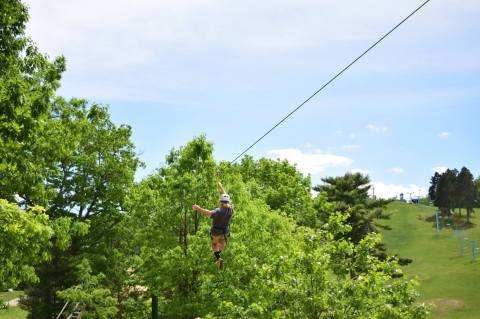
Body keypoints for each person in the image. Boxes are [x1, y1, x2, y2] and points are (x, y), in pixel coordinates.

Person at [192, 179, 233, 269]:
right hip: (225, 232)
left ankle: (218, 257)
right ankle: (218, 255)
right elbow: (226, 196)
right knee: (222, 242)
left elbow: (208, 212)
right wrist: (221, 186)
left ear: (220, 202)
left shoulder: (218, 211)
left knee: (214, 244)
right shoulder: (231, 208)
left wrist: (197, 208)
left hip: (216, 232)